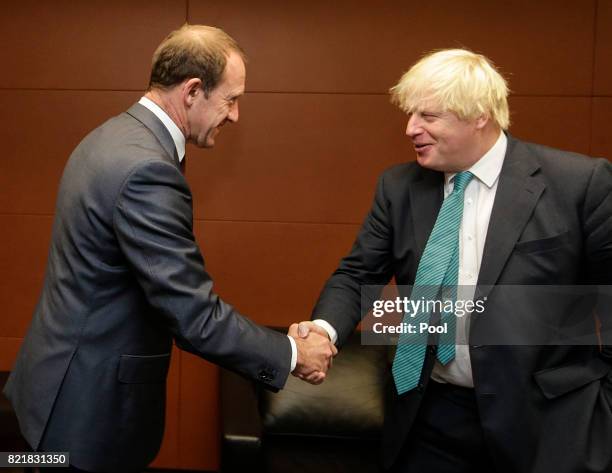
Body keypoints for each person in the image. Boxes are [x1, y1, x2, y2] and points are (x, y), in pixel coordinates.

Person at [3, 24, 335, 473]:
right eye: (231, 99)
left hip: (56, 388)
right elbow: (193, 314)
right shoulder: (146, 169)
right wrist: (291, 354)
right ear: (193, 90)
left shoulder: (111, 135)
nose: (235, 115)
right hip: (86, 416)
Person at [297, 49, 612, 472]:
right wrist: (322, 330)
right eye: (411, 115)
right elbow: (358, 274)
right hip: (430, 417)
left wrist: (602, 403)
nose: (411, 128)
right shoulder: (398, 187)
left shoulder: (578, 184)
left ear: (479, 115)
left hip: (549, 422)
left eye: (428, 116)